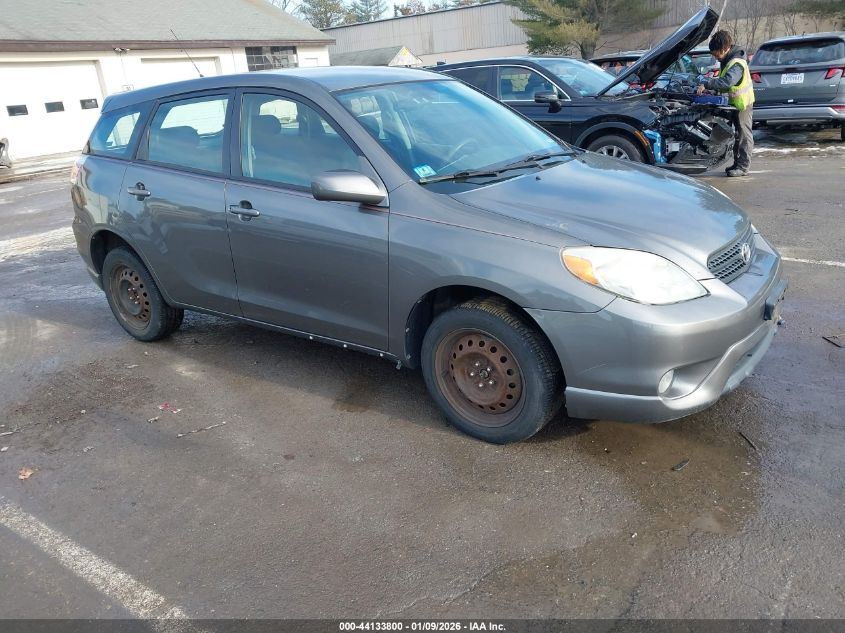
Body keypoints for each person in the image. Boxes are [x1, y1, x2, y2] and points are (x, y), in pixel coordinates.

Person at [696, 30, 755, 177]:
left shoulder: (737, 62)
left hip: (743, 104)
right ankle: (737, 164)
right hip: (733, 103)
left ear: (723, 49)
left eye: (716, 54)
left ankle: (743, 167)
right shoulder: (728, 59)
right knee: (736, 135)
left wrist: (708, 84)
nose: (715, 57)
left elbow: (728, 81)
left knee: (743, 135)